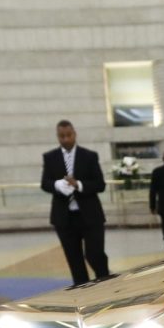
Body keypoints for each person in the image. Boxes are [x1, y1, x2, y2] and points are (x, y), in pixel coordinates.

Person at [40, 120, 109, 284]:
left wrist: (78, 184)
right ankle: (82, 290)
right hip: (64, 217)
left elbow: (100, 185)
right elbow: (45, 183)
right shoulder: (50, 157)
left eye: (68, 135)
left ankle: (105, 282)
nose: (65, 139)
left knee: (95, 254)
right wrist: (57, 185)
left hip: (90, 215)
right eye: (61, 136)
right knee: (73, 258)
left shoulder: (89, 156)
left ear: (74, 134)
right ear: (58, 136)